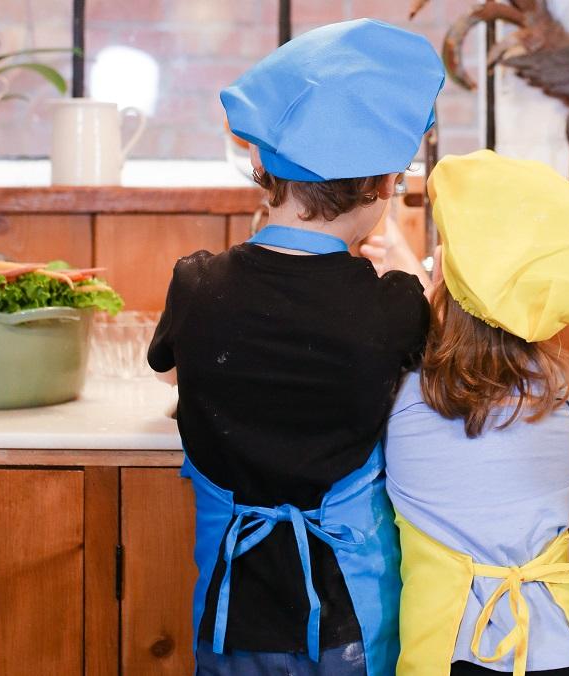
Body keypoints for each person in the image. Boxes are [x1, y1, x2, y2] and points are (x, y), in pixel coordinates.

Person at [147, 19, 444, 676]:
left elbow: (173, 374)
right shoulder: (392, 305)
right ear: (381, 187)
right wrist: (395, 252)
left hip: (229, 608)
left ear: (260, 165)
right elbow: (441, 362)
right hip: (350, 617)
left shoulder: (196, 285)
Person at [366, 150, 569, 676]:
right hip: (564, 652)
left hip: (453, 652)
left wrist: (401, 264)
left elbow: (434, 344)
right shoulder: (558, 394)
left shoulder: (404, 397)